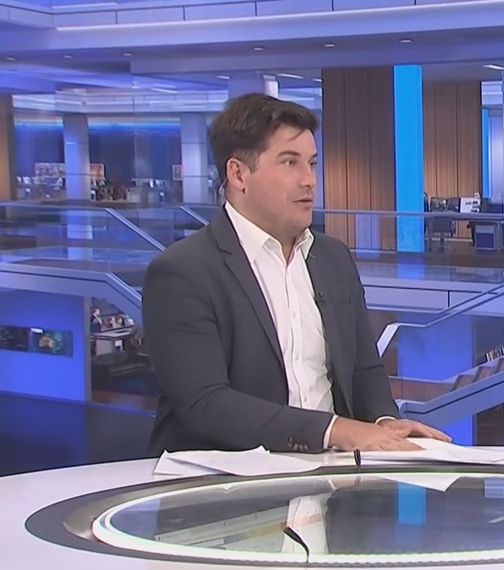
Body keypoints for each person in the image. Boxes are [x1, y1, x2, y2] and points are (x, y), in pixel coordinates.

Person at [143, 93, 449, 455]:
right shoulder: (182, 272)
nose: (310, 180)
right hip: (228, 480)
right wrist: (334, 430)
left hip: (331, 476)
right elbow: (206, 404)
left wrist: (383, 421)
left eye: (312, 163)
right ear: (238, 174)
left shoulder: (333, 258)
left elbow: (363, 368)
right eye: (290, 163)